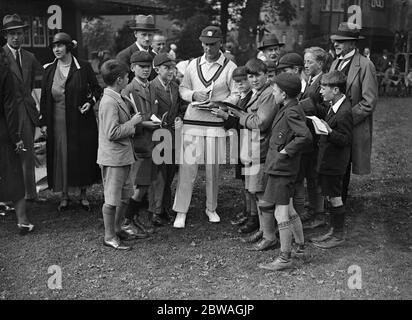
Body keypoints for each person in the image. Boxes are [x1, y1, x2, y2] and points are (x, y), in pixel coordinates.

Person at [173, 26, 238, 228]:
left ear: (220, 43)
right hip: (192, 122)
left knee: (212, 169)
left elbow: (237, 93)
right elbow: (183, 88)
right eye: (205, 44)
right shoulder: (193, 65)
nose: (208, 49)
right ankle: (181, 211)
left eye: (212, 44)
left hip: (215, 123)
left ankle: (211, 208)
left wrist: (219, 104)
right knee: (187, 168)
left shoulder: (230, 67)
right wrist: (193, 95)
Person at [40, 32, 102, 211]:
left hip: (80, 121)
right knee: (61, 155)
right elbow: (44, 97)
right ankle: (64, 195)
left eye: (60, 46)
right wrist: (43, 122)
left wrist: (89, 103)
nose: (56, 49)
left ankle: (83, 195)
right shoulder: (49, 69)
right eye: (54, 46)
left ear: (68, 47)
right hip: (57, 121)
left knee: (80, 155)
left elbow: (97, 90)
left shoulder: (83, 66)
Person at [258, 73, 312, 271]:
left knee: (281, 214)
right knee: (289, 210)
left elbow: (305, 137)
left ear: (284, 93)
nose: (273, 92)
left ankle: (285, 257)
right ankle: (300, 247)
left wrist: (286, 151)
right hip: (283, 168)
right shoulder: (290, 107)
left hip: (282, 169)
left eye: (275, 90)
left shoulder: (291, 112)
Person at [224, 58, 278, 251]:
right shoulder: (258, 93)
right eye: (250, 76)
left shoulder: (268, 95)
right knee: (256, 194)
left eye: (258, 75)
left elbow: (261, 123)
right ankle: (263, 231)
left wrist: (240, 116)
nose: (254, 80)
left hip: (260, 151)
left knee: (262, 196)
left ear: (266, 75)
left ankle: (269, 236)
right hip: (251, 149)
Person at [329, 22, 378, 204]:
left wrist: (346, 119)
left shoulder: (365, 65)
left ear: (353, 43)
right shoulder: (335, 63)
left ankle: (339, 208)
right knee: (332, 163)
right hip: (332, 124)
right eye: (335, 40)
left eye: (342, 41)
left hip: (351, 127)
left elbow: (369, 102)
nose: (336, 44)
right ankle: (333, 204)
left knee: (343, 165)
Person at [97, 59, 143, 250]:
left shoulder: (117, 97)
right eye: (126, 76)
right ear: (119, 80)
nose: (128, 79)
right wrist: (132, 123)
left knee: (124, 196)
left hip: (122, 157)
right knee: (111, 198)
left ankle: (117, 228)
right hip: (114, 159)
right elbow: (112, 133)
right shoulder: (109, 101)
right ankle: (109, 236)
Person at [2, 14, 44, 202]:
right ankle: (6, 198)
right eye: (12, 34)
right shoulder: (1, 57)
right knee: (7, 156)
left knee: (28, 154)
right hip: (5, 115)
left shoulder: (30, 57)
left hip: (26, 113)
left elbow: (40, 82)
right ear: (5, 36)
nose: (16, 37)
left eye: (19, 33)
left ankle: (30, 194)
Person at [310, 70, 353, 249]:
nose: (320, 91)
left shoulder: (344, 112)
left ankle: (338, 234)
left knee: (335, 198)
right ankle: (334, 230)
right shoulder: (334, 105)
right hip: (328, 161)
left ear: (335, 90)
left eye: (323, 88)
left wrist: (329, 131)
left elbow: (345, 139)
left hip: (335, 163)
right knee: (330, 196)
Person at [122, 51, 159, 236]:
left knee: (145, 184)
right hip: (138, 145)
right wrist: (144, 124)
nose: (145, 70)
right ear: (132, 68)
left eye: (148, 67)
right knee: (138, 185)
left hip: (151, 142)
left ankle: (133, 218)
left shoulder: (151, 86)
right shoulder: (128, 91)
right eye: (141, 67)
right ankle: (127, 221)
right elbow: (125, 122)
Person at [0, 47, 34, 235]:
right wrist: (16, 137)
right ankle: (22, 221)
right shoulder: (4, 71)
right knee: (13, 173)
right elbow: (10, 108)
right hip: (3, 131)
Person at [149, 52, 185, 225]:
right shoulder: (150, 87)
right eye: (167, 68)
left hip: (173, 135)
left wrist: (179, 117)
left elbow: (178, 108)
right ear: (157, 70)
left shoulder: (175, 86)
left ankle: (164, 208)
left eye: (173, 67)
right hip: (157, 136)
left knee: (170, 173)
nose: (171, 71)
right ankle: (155, 211)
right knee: (159, 174)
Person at [298, 47, 329, 229]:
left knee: (315, 176)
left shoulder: (324, 82)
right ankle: (313, 209)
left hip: (318, 138)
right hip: (309, 137)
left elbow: (328, 111)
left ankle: (319, 214)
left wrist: (310, 106)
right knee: (310, 174)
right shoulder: (309, 80)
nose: (306, 65)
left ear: (320, 63)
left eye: (310, 62)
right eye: (305, 61)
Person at [218, 66, 252, 227]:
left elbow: (243, 124)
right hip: (240, 142)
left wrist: (226, 116)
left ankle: (252, 216)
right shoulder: (241, 98)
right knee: (244, 182)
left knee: (250, 182)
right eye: (236, 82)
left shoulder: (251, 97)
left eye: (243, 80)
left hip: (249, 143)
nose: (239, 84)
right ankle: (248, 211)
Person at [116, 15, 158, 81]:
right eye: (143, 35)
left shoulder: (154, 56)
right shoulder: (124, 56)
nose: (147, 38)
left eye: (150, 35)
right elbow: (121, 84)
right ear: (135, 34)